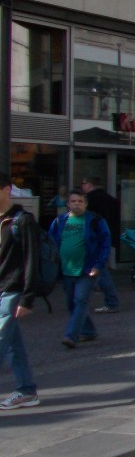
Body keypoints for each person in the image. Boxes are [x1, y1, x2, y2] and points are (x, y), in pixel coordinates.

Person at [48, 189, 111, 348]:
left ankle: (71, 336)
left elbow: (105, 243)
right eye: (73, 201)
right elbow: (51, 243)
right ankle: (89, 331)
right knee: (72, 304)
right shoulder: (59, 221)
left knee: (81, 300)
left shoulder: (95, 220)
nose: (77, 204)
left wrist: (99, 264)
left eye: (80, 201)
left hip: (87, 269)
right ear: (68, 204)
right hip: (67, 269)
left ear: (86, 204)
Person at [0, 170, 41, 409]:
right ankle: (26, 390)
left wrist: (27, 298)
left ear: (7, 190)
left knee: (2, 339)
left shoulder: (22, 220)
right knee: (12, 343)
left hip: (12, 289)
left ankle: (26, 391)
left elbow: (31, 260)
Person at [81, 176, 120, 313]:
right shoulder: (110, 199)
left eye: (83, 183)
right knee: (99, 268)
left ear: (89, 184)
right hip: (105, 237)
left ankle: (111, 302)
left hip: (93, 238)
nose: (82, 186)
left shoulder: (89, 200)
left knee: (100, 270)